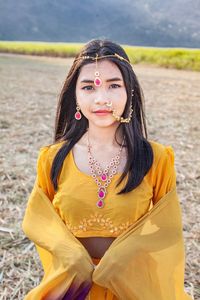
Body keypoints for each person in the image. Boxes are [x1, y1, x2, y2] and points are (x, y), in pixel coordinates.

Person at [22, 39, 192, 299]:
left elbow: (167, 230)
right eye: (89, 87)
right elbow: (38, 219)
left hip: (131, 287)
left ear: (129, 91)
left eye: (114, 85)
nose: (102, 98)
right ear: (75, 95)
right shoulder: (53, 158)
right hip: (74, 287)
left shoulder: (155, 159)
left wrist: (124, 254)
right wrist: (72, 256)